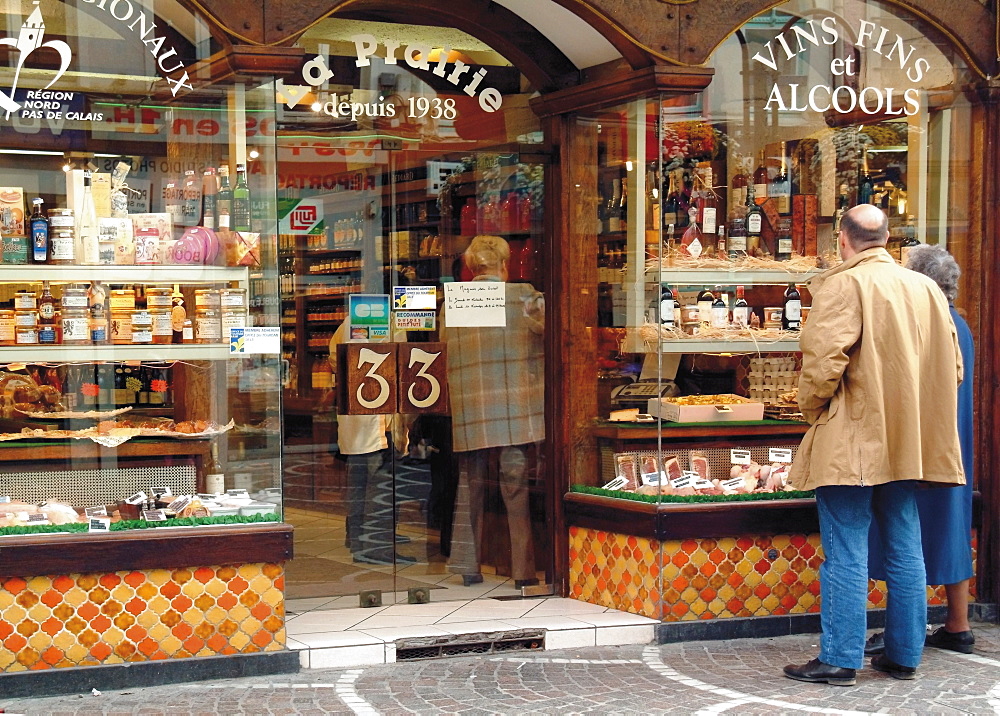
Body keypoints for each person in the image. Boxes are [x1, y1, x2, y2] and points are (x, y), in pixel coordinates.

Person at [783, 204, 965, 686]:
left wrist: (811, 411)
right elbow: (955, 370)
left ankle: (840, 658)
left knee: (845, 548)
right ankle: (904, 655)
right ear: (888, 238)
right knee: (906, 545)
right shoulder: (926, 288)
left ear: (842, 240)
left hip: (853, 439)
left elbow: (822, 364)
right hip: (909, 441)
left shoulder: (846, 283)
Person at [865, 245, 976, 655]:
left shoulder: (924, 322)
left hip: (921, 442)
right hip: (953, 440)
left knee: (903, 536)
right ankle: (957, 622)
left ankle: (902, 630)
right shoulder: (959, 324)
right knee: (952, 523)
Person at [442, 235, 544, 588]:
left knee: (470, 484)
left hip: (471, 405)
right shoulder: (525, 297)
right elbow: (552, 331)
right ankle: (523, 570)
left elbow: (444, 351)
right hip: (516, 405)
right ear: (506, 263)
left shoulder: (454, 302)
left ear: (470, 267)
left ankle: (468, 565)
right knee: (515, 488)